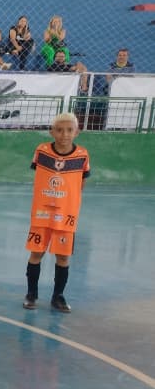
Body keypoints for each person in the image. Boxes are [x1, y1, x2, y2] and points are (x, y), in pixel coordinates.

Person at [23, 112, 90, 312]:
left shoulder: (82, 155)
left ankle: (58, 296)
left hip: (66, 216)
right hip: (42, 213)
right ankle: (31, 294)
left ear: (77, 132)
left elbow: (81, 183)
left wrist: (67, 201)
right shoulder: (42, 151)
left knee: (63, 257)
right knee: (36, 253)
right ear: (52, 131)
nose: (64, 134)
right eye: (59, 130)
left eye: (69, 130)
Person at [86, 47, 135, 130]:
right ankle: (107, 127)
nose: (122, 57)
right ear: (117, 56)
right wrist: (118, 83)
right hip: (112, 89)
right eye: (120, 55)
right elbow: (108, 78)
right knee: (109, 108)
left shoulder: (131, 67)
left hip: (125, 90)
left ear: (127, 56)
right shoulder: (112, 66)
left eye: (124, 55)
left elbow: (131, 80)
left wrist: (119, 80)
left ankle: (124, 127)